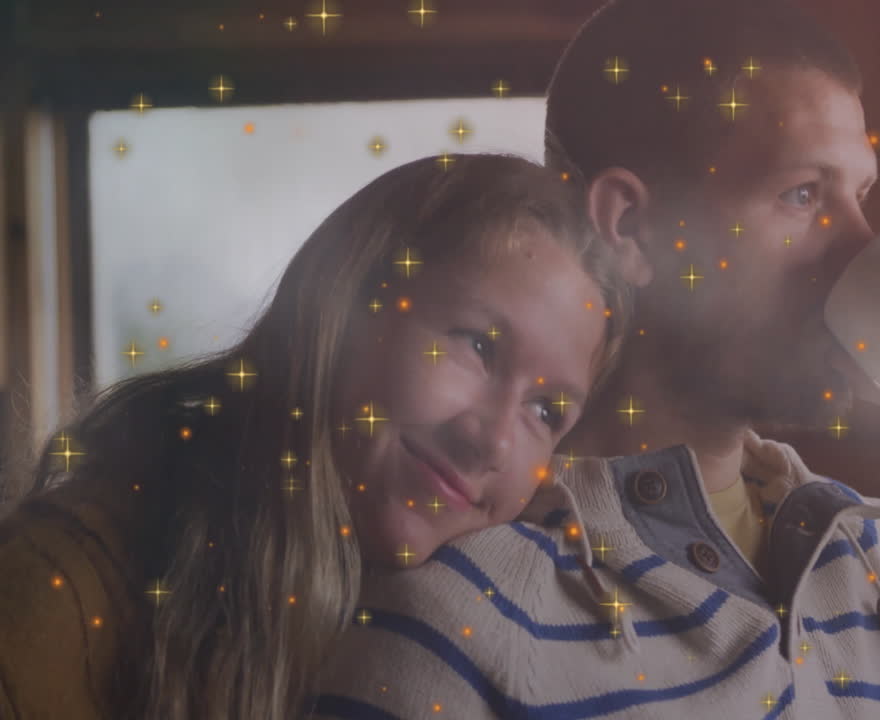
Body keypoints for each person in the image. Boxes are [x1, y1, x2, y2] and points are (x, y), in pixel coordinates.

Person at [311, 1, 880, 718]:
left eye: (862, 198)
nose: (857, 249)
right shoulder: (458, 618)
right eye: (802, 195)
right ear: (632, 227)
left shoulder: (878, 565)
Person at [0, 153, 629, 720]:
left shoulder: (497, 625)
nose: (492, 444)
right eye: (479, 346)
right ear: (348, 300)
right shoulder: (61, 594)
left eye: (546, 412)